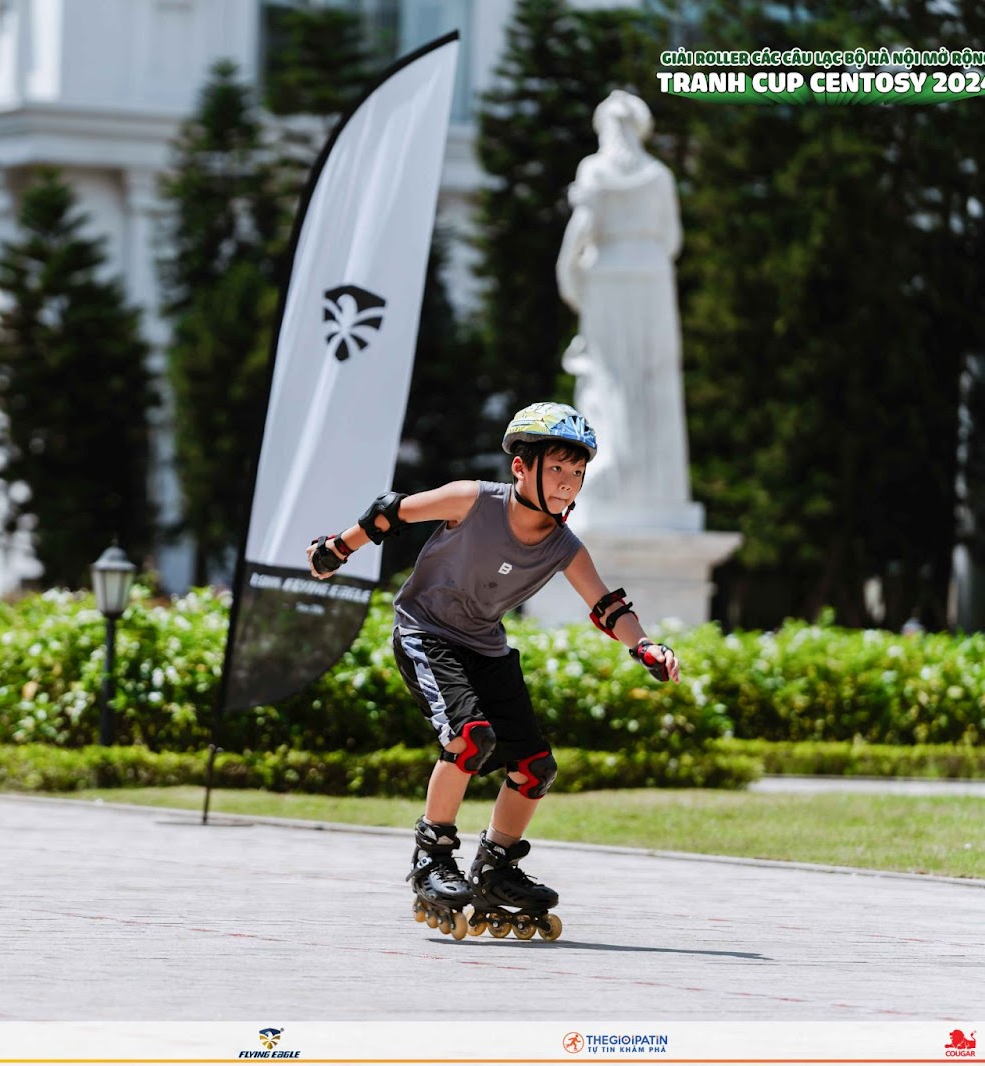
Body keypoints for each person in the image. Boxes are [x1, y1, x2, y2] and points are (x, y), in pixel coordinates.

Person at [303, 402, 681, 940]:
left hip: (486, 647)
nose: (568, 484)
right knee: (468, 738)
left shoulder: (564, 546)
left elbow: (607, 606)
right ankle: (432, 856)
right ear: (521, 467)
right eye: (557, 469)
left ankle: (496, 866)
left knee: (535, 768)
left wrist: (644, 646)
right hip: (426, 633)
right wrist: (336, 547)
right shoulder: (473, 499)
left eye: (577, 474)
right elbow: (389, 512)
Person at [555, 90, 690, 510]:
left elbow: (581, 231)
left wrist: (570, 279)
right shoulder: (660, 175)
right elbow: (671, 239)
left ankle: (610, 468)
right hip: (651, 277)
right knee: (654, 375)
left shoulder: (594, 171)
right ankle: (658, 482)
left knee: (609, 375)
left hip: (608, 277)